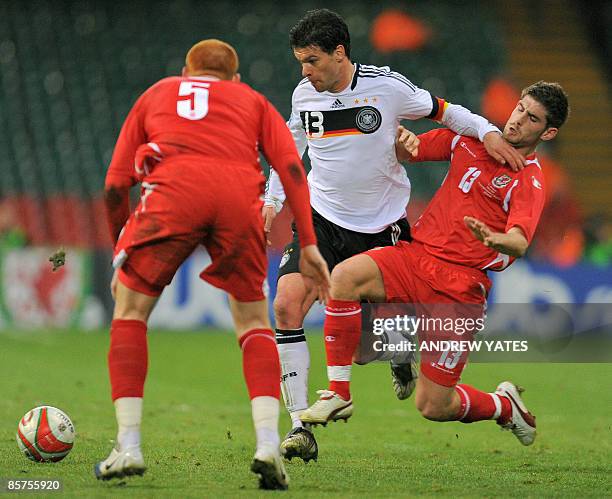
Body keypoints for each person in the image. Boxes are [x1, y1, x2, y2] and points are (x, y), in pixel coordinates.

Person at [262, 8, 526, 462]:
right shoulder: (305, 94)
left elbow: (447, 112)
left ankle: (397, 348)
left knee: (366, 350)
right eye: (300, 62)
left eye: (312, 61)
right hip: (323, 221)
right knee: (286, 305)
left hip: (382, 229)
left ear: (339, 53)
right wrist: (272, 199)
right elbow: (292, 146)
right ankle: (300, 426)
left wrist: (489, 132)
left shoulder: (387, 87)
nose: (304, 72)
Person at [94, 39, 330, 490]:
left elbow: (114, 185)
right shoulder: (253, 100)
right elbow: (291, 168)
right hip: (237, 197)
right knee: (253, 321)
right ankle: (266, 442)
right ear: (235, 79)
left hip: (173, 195)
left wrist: (120, 242)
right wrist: (310, 243)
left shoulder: (158, 93)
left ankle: (128, 444)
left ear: (187, 73)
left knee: (130, 311)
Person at [300, 81, 569, 448]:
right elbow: (412, 152)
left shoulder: (529, 178)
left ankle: (504, 407)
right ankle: (338, 392)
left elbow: (519, 242)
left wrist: (495, 240)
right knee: (344, 278)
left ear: (548, 132)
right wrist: (404, 143)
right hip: (416, 257)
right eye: (520, 108)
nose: (518, 119)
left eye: (532, 118)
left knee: (433, 405)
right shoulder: (471, 140)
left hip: (459, 288)